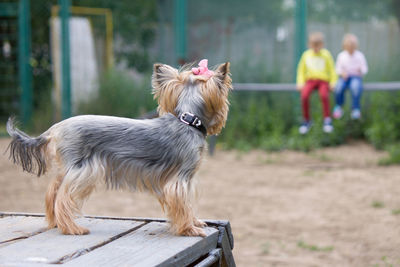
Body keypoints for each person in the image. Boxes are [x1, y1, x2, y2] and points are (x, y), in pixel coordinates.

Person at [296, 32, 337, 134]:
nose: (315, 48)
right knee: (304, 96)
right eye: (313, 45)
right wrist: (300, 83)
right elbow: (301, 70)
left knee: (324, 95)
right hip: (310, 80)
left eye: (317, 46)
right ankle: (306, 120)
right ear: (309, 45)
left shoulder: (326, 54)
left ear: (321, 45)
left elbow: (332, 69)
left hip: (323, 81)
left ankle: (327, 120)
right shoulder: (306, 55)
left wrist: (333, 82)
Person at [333, 33, 368, 120]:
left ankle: (355, 109)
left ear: (356, 46)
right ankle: (339, 106)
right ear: (345, 47)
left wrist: (360, 70)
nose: (350, 50)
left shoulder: (360, 56)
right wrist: (342, 73)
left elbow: (365, 69)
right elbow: (337, 68)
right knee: (338, 87)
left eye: (352, 48)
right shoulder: (341, 56)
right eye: (348, 48)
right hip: (344, 77)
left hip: (356, 77)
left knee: (355, 87)